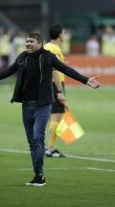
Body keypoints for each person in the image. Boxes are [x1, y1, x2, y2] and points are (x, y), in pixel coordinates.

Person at [0, 32, 101, 187]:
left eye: (31, 41)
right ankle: (37, 175)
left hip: (43, 104)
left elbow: (65, 69)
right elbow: (9, 70)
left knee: (37, 137)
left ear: (39, 44)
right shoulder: (22, 57)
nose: (27, 43)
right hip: (26, 105)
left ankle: (40, 176)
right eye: (26, 41)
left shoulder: (48, 57)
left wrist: (86, 80)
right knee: (32, 142)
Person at [44, 24, 68, 158]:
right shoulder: (54, 49)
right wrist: (60, 90)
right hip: (55, 84)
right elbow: (55, 72)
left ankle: (49, 147)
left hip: (47, 84)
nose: (64, 35)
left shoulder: (47, 47)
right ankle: (50, 148)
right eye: (63, 33)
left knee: (53, 115)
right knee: (56, 116)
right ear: (59, 35)